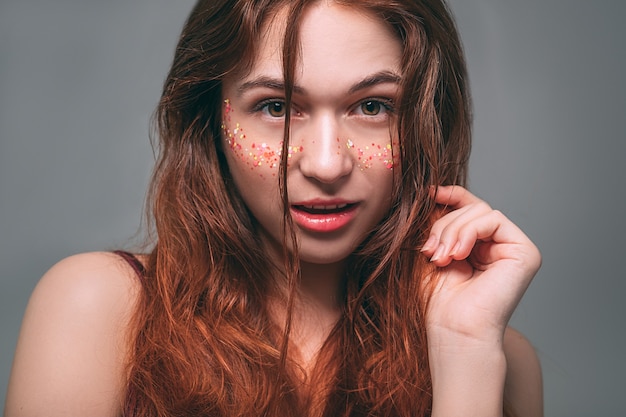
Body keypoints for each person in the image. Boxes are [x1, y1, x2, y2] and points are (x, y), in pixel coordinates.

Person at [5, 0, 543, 416]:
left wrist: (464, 352)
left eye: (374, 106)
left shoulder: (498, 357)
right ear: (210, 122)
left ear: (425, 124)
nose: (328, 164)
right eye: (278, 107)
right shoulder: (97, 308)